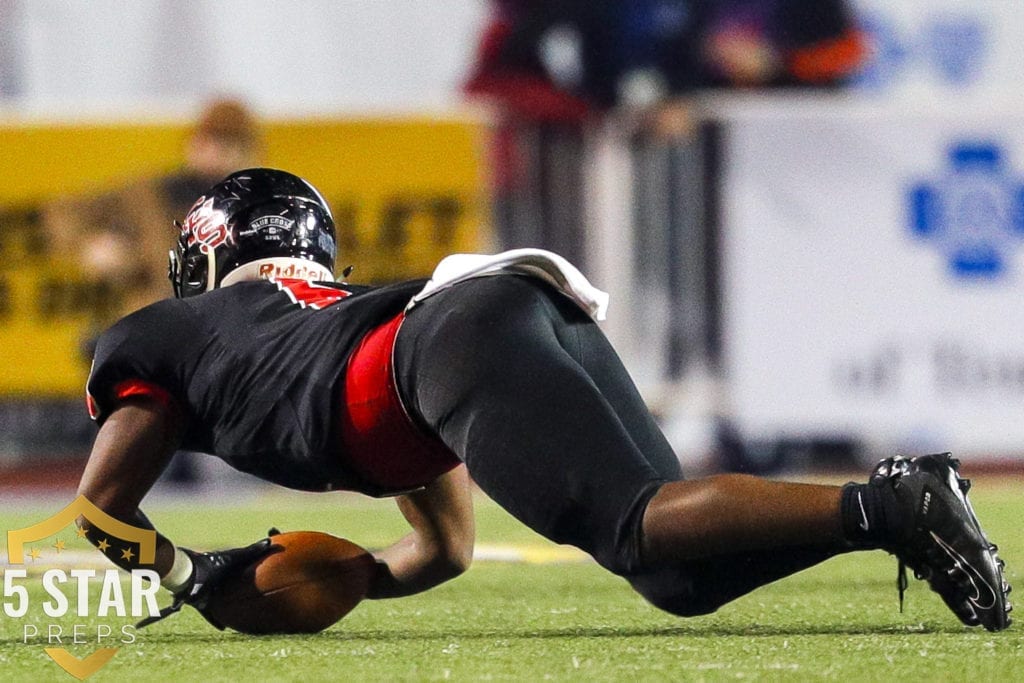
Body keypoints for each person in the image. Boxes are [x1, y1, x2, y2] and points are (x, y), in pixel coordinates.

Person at [76, 168, 1011, 632]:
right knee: (678, 573)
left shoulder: (162, 336)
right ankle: (886, 514)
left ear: (205, 254)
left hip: (436, 342)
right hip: (489, 305)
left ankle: (896, 499)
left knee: (640, 524)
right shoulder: (324, 328)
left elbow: (98, 510)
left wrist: (193, 577)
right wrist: (347, 576)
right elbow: (444, 551)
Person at [44, 97, 263, 324]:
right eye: (208, 140)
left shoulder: (267, 207)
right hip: (156, 328)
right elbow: (67, 215)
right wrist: (95, 245)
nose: (214, 152)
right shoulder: (151, 196)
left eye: (227, 144)